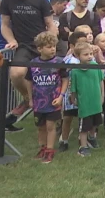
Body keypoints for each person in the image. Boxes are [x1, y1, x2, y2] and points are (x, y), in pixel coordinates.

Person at [24, 32, 68, 164]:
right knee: (41, 126)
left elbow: (65, 79)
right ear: (40, 49)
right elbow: (28, 81)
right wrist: (30, 99)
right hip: (38, 102)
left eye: (54, 46)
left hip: (54, 100)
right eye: (49, 47)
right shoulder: (33, 63)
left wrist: (61, 96)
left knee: (50, 126)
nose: (53, 49)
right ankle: (42, 148)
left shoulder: (59, 62)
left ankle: (50, 150)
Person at [69, 41, 104, 157]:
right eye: (86, 54)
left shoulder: (96, 66)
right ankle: (82, 146)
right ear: (78, 56)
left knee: (96, 122)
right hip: (84, 103)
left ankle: (92, 138)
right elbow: (73, 88)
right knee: (84, 126)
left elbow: (100, 81)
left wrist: (102, 95)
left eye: (90, 54)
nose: (89, 56)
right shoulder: (75, 71)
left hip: (96, 101)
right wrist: (73, 98)